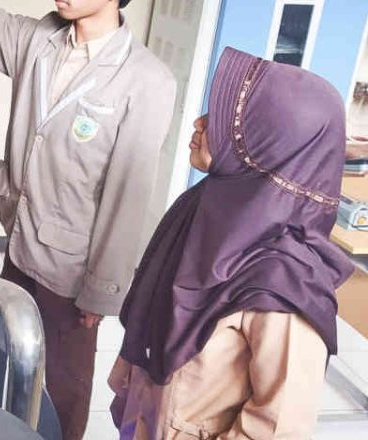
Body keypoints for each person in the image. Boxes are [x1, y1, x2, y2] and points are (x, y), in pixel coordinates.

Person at [0, 1, 176, 438]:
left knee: (62, 392)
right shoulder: (38, 39)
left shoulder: (147, 80)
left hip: (71, 270)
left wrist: (101, 291)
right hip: (19, 244)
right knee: (8, 364)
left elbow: (127, 196)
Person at [109, 47, 355, 439]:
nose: (200, 122)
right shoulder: (201, 214)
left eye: (227, 119)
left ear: (268, 141)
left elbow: (280, 427)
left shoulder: (284, 281)